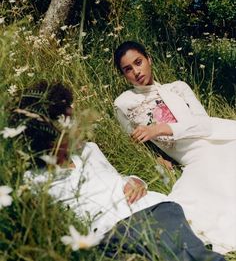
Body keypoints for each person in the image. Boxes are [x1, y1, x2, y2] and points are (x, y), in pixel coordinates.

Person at [9, 80, 225, 261]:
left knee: (187, 254)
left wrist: (135, 180)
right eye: (69, 120)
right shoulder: (35, 181)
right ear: (49, 131)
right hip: (108, 235)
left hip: (150, 210)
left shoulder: (89, 151)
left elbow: (117, 178)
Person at [113, 40, 236, 255]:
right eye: (128, 69)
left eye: (138, 62)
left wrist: (159, 129)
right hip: (194, 158)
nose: (136, 72)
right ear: (124, 75)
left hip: (218, 136)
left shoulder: (177, 87)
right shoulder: (124, 103)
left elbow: (204, 125)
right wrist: (157, 156)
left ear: (149, 60)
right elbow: (135, 141)